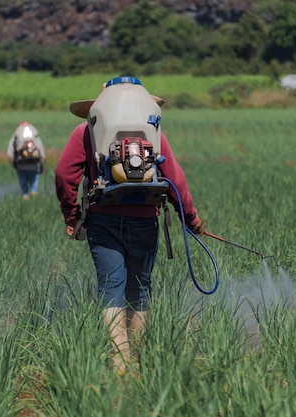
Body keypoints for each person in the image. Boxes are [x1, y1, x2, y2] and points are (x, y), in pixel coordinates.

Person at [54, 76, 204, 374]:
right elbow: (175, 178)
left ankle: (119, 361)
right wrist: (191, 219)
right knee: (140, 289)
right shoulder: (152, 133)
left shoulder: (85, 132)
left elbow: (63, 174)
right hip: (144, 219)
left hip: (103, 219)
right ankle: (137, 359)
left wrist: (72, 216)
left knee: (111, 287)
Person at [7, 121, 46, 200]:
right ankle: (35, 206)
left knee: (24, 192)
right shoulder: (34, 134)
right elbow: (41, 152)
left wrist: (14, 164)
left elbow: (10, 154)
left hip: (21, 166)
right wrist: (41, 163)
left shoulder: (16, 135)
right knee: (34, 190)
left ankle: (25, 202)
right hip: (34, 166)